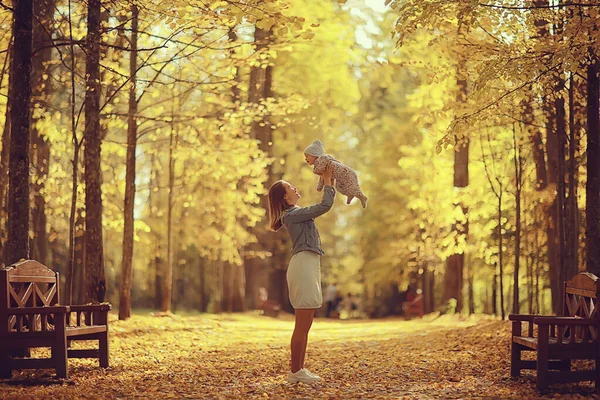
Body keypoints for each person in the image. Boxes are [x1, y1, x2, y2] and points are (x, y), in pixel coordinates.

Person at [267, 164, 335, 384]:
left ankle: (299, 370)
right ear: (285, 198)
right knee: (302, 323)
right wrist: (327, 181)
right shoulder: (292, 215)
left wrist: (328, 180)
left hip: (309, 263)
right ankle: (295, 371)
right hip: (303, 265)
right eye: (291, 187)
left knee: (306, 324)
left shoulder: (295, 214)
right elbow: (325, 205)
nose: (295, 189)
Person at [304, 139, 368, 208]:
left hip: (347, 174)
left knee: (352, 187)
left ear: (315, 154)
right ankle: (349, 195)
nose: (305, 159)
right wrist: (320, 186)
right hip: (340, 177)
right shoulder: (319, 164)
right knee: (339, 188)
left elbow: (320, 170)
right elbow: (323, 176)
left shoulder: (322, 158)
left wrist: (316, 172)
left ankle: (362, 196)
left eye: (307, 156)